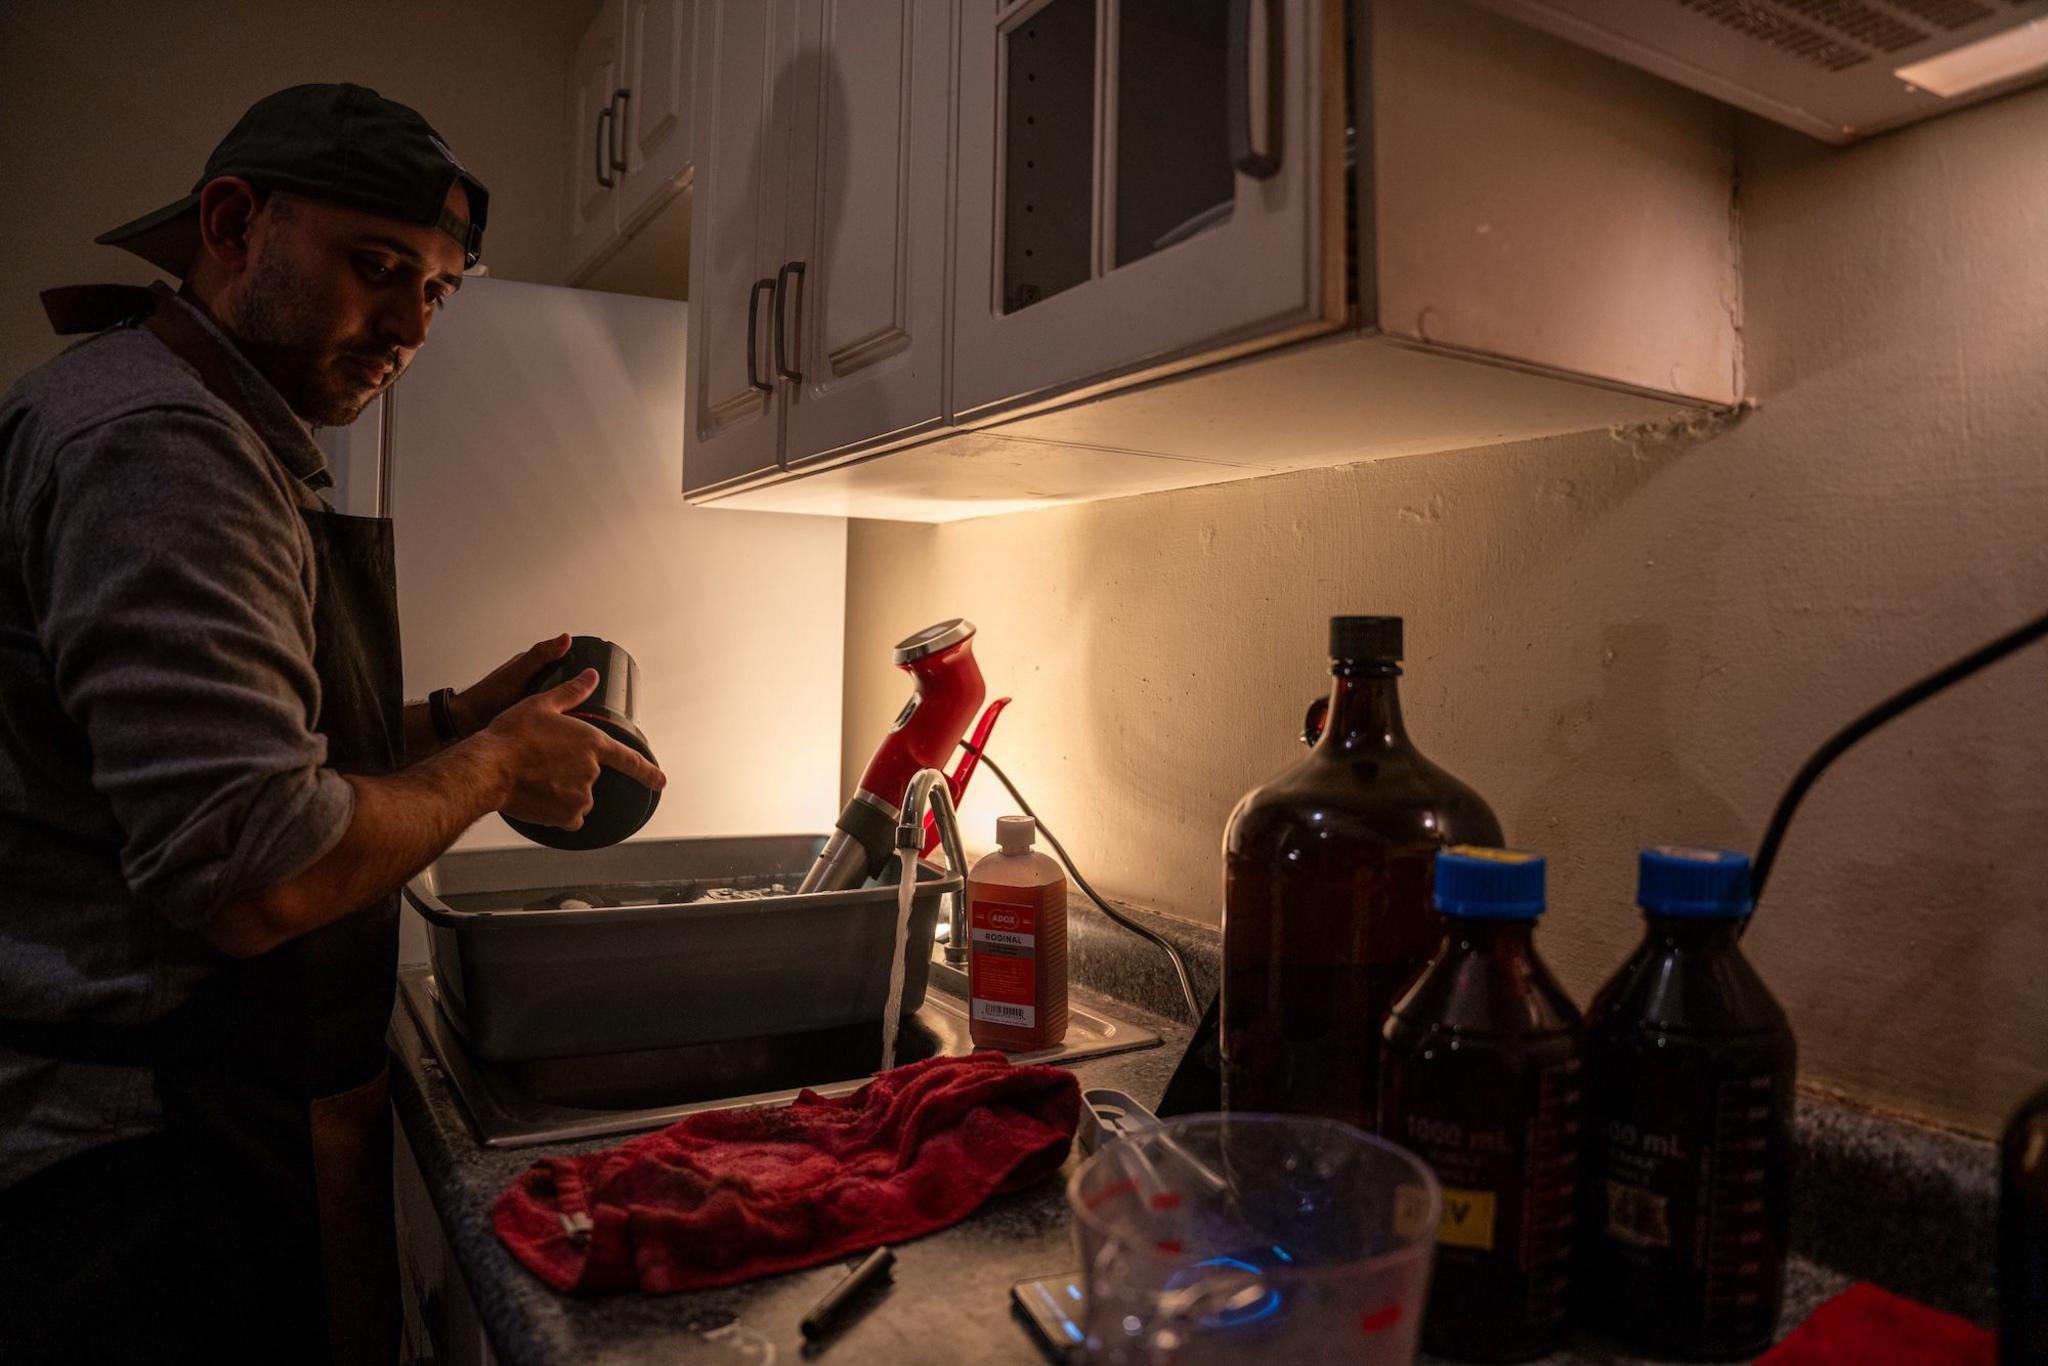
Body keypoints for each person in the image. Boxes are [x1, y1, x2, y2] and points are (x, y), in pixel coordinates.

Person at [0, 84, 666, 1365]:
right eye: (378, 268)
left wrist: (453, 721)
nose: (414, 322)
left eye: (441, 290)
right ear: (236, 222)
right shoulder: (164, 446)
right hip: (135, 1167)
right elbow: (253, 865)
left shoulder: (193, 422)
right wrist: (494, 763)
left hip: (175, 1123)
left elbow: (222, 752)